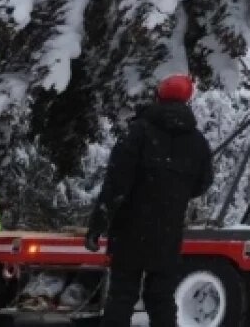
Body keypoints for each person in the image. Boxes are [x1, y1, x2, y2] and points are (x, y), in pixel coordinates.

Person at [85, 74, 214, 327]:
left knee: (121, 297)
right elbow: (203, 183)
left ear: (158, 97)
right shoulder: (198, 143)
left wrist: (97, 226)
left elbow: (115, 184)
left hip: (130, 230)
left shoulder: (139, 133)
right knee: (162, 299)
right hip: (167, 233)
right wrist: (174, 197)